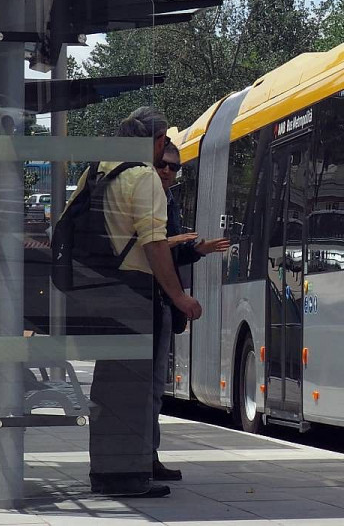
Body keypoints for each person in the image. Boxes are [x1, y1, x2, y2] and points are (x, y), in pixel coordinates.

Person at [73, 106, 202, 499]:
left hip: (100, 290)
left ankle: (107, 470)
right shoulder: (142, 177)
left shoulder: (98, 170)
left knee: (110, 387)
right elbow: (154, 245)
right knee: (134, 388)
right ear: (157, 140)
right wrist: (179, 296)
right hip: (133, 293)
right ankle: (125, 475)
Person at [149, 141, 227, 482]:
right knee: (147, 388)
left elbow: (167, 253)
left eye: (174, 167)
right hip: (146, 300)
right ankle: (142, 458)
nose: (167, 171)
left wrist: (196, 249)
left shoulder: (169, 200)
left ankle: (147, 455)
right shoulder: (144, 195)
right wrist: (175, 245)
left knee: (153, 389)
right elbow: (143, 247)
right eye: (162, 164)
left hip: (160, 303)